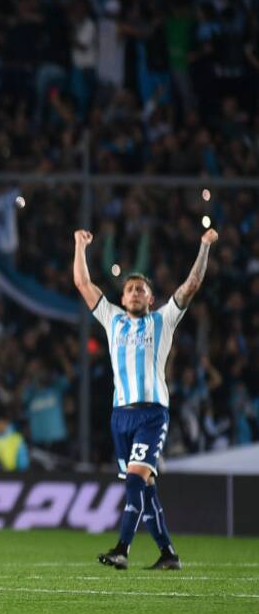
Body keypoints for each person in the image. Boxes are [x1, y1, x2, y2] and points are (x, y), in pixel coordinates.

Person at [72, 226, 218, 571]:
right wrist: (79, 246)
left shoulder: (162, 320)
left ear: (151, 299)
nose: (135, 292)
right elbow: (82, 283)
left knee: (136, 480)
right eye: (130, 289)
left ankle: (122, 548)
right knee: (146, 488)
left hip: (152, 414)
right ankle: (168, 554)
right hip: (119, 416)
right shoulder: (112, 319)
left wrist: (203, 246)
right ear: (123, 299)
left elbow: (191, 285)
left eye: (141, 289)